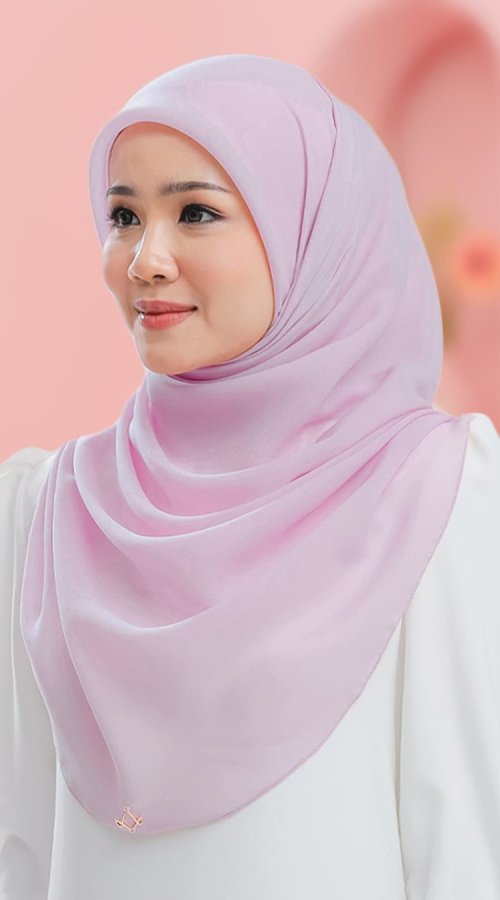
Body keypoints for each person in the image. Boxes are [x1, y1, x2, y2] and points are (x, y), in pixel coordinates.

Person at [1, 52, 500, 900]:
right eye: (123, 216)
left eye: (196, 212)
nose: (145, 260)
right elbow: (19, 848)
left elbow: (468, 855)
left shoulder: (435, 493)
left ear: (315, 235)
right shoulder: (47, 508)